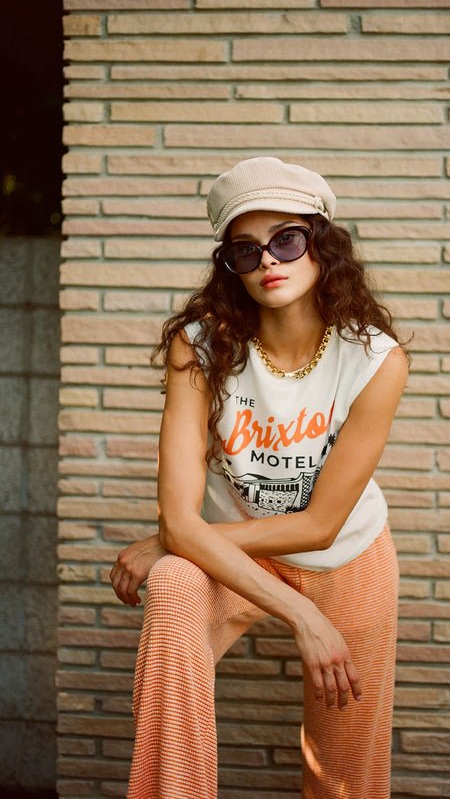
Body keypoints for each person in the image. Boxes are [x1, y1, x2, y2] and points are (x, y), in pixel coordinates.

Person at [110, 156, 409, 799]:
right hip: (231, 549)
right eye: (246, 251)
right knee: (174, 585)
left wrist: (173, 537)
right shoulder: (201, 345)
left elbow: (320, 524)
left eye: (287, 240)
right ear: (230, 267)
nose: (269, 261)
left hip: (346, 555)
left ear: (321, 247)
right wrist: (299, 614)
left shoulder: (374, 360)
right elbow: (181, 515)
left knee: (345, 772)